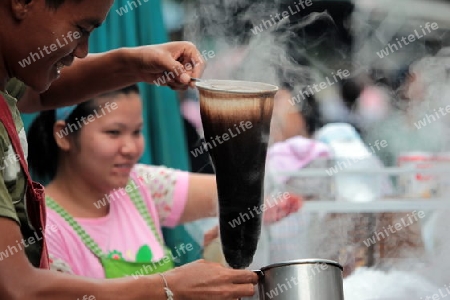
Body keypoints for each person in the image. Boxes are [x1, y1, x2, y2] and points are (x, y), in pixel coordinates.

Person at [0, 0, 259, 299]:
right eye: (80, 29)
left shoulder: (138, 189)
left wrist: (133, 64)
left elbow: (38, 93)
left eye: (136, 131)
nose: (82, 51)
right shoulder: (58, 225)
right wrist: (167, 287)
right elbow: (14, 287)